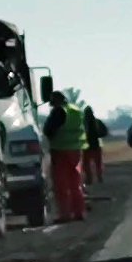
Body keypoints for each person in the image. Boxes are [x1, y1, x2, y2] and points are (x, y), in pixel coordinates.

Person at [43, 91, 88, 222]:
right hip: (76, 150)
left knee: (61, 184)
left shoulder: (59, 111)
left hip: (60, 149)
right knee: (76, 183)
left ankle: (65, 214)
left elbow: (49, 129)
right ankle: (79, 212)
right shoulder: (76, 110)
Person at [82, 106, 108, 185]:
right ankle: (99, 178)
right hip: (96, 145)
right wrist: (98, 135)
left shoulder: (83, 123)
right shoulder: (97, 122)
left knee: (87, 165)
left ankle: (89, 179)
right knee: (97, 164)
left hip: (87, 146)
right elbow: (105, 132)